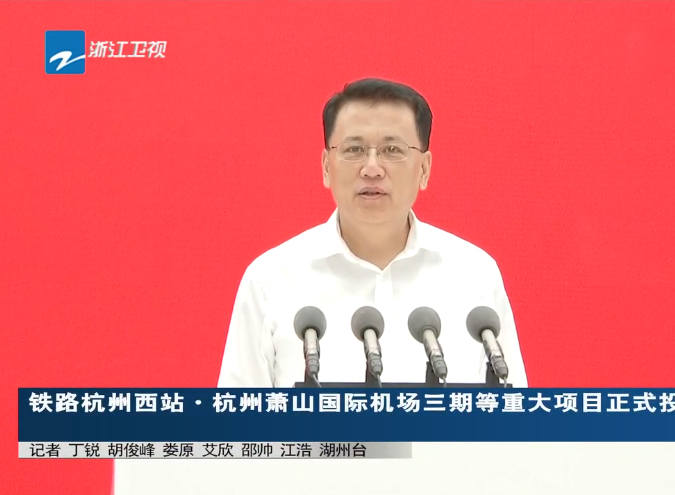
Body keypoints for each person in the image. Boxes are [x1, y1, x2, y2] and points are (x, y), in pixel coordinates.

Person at [217, 78, 528, 388]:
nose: (372, 168)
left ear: (424, 169)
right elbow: (236, 415)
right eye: (354, 149)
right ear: (326, 167)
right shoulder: (271, 280)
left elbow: (514, 410)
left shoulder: (474, 274)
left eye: (392, 150)